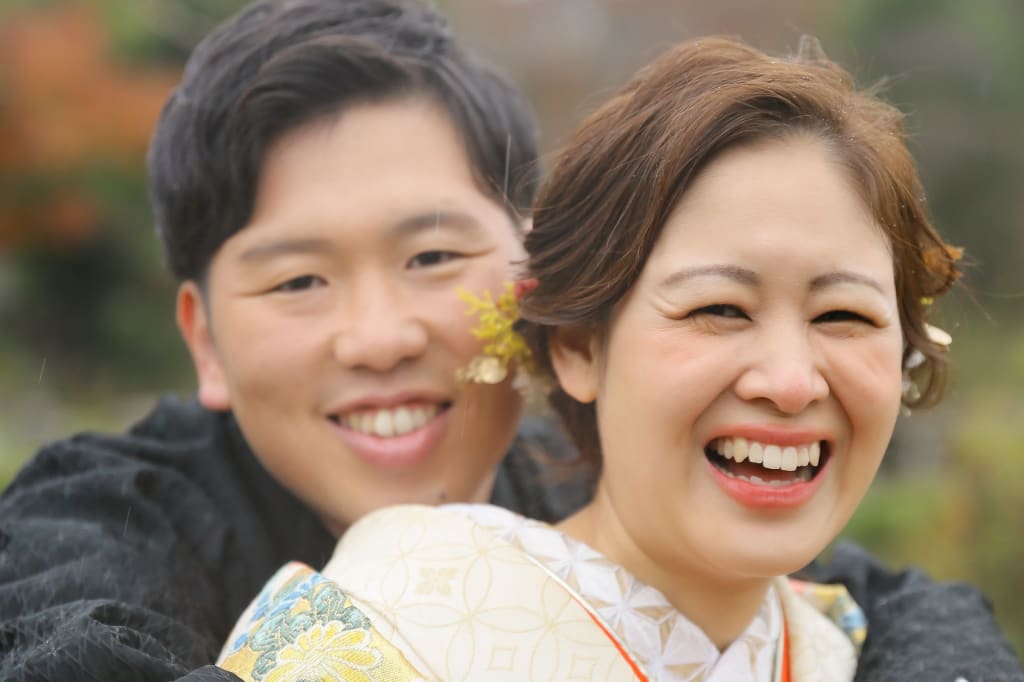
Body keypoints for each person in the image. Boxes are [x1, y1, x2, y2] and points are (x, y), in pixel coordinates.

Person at [0, 0, 1017, 677]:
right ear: (205, 338)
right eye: (299, 278)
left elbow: (872, 595)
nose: (381, 334)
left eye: (433, 256)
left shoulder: (637, 488)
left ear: (536, 283)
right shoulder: (101, 524)